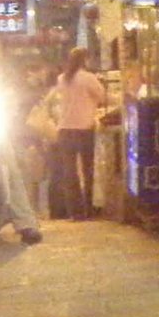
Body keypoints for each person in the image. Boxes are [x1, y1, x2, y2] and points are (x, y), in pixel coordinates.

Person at [45, 47, 109, 220]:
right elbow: (103, 97)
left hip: (65, 129)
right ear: (85, 60)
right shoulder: (88, 78)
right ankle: (90, 209)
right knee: (88, 170)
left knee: (70, 173)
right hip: (85, 128)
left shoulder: (62, 79)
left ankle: (75, 212)